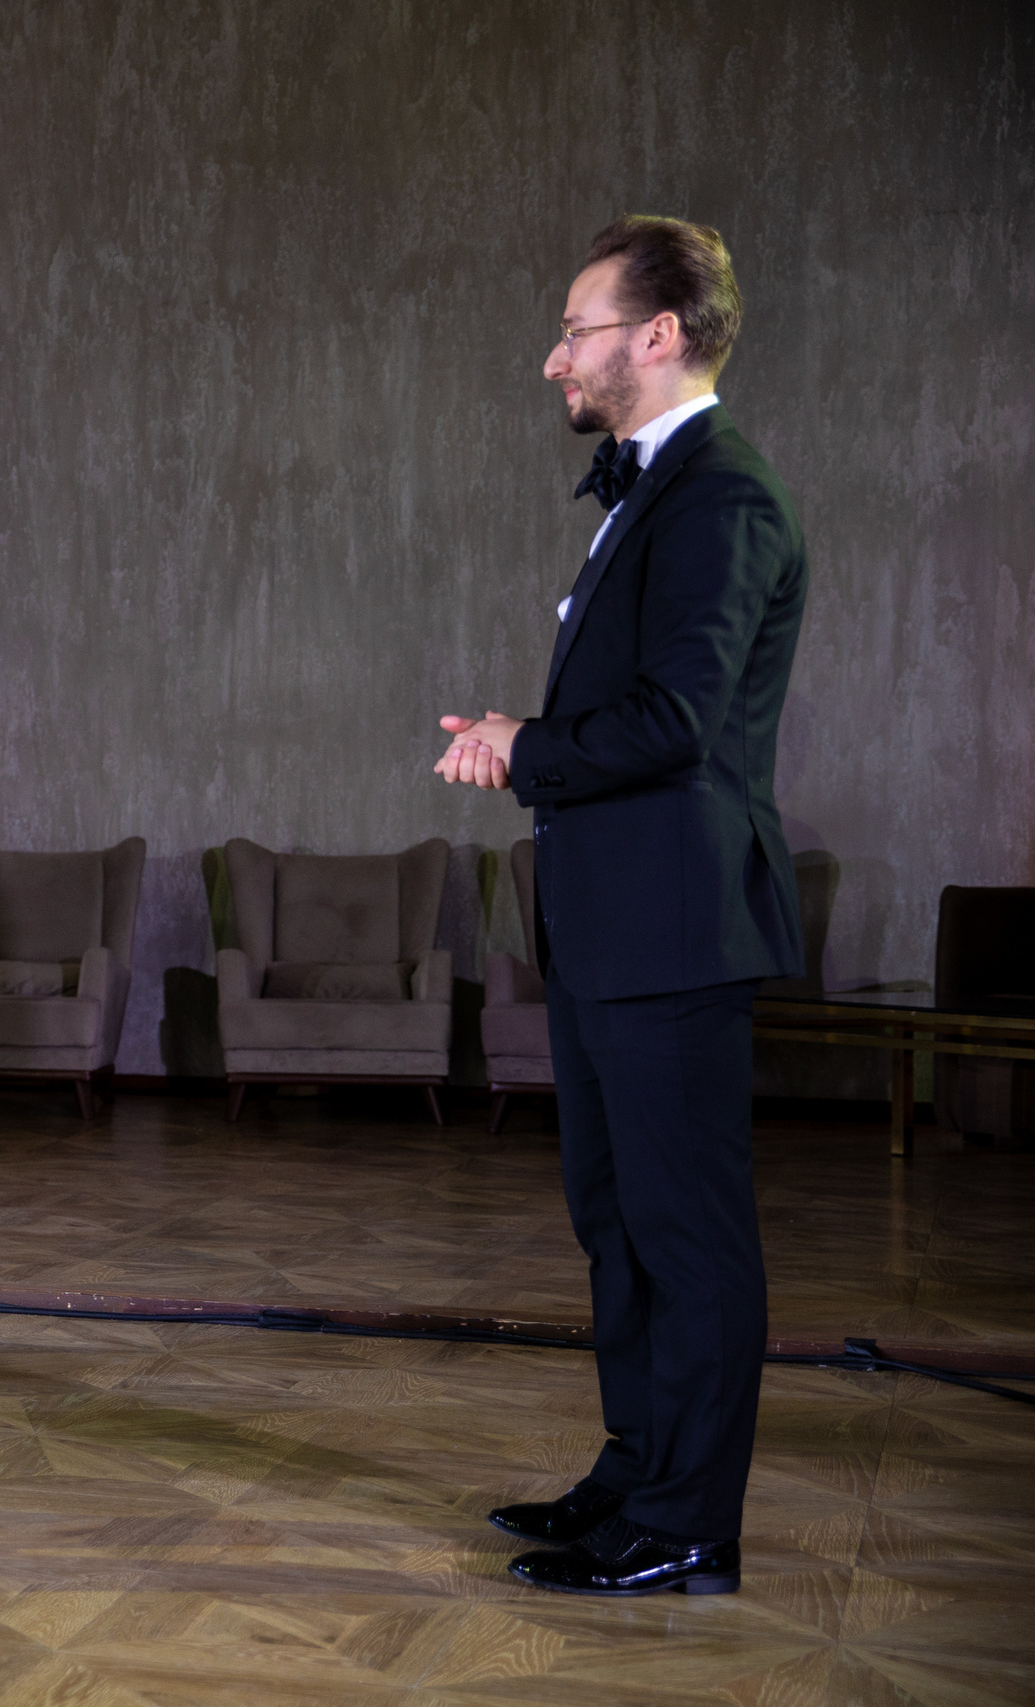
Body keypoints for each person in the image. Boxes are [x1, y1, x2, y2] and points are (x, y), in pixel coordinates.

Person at [434, 216, 805, 1595]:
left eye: (578, 329)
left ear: (659, 335)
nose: (554, 359)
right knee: (616, 1213)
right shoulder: (653, 490)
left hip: (677, 920)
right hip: (613, 919)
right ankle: (640, 1467)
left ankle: (693, 1517)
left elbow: (678, 719)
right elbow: (634, 711)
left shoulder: (725, 495)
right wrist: (525, 734)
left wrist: (525, 746)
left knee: (685, 1227)